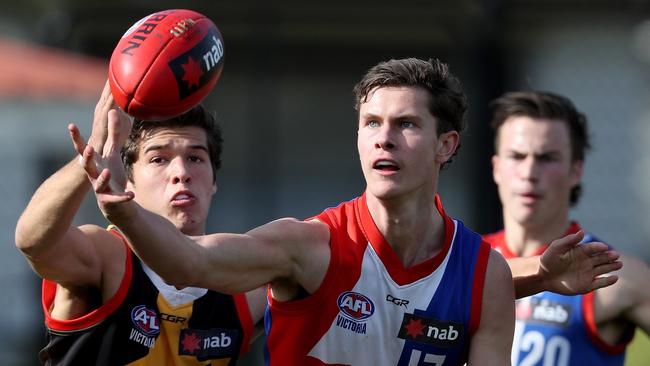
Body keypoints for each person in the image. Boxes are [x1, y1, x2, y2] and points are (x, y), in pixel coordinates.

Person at [76, 59, 621, 366]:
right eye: (371, 123)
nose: (384, 139)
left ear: (446, 145)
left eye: (406, 124)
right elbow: (190, 263)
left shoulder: (486, 276)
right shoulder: (310, 244)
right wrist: (120, 210)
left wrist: (538, 276)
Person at [14, 82, 265, 365]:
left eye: (195, 157)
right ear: (128, 178)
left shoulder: (244, 286)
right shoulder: (108, 257)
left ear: (214, 181)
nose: (181, 173)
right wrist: (90, 156)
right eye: (159, 159)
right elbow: (32, 241)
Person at [483, 90, 650, 365]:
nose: (529, 172)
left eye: (547, 158)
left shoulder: (615, 275)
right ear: (496, 168)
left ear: (576, 171)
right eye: (517, 156)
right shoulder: (464, 258)